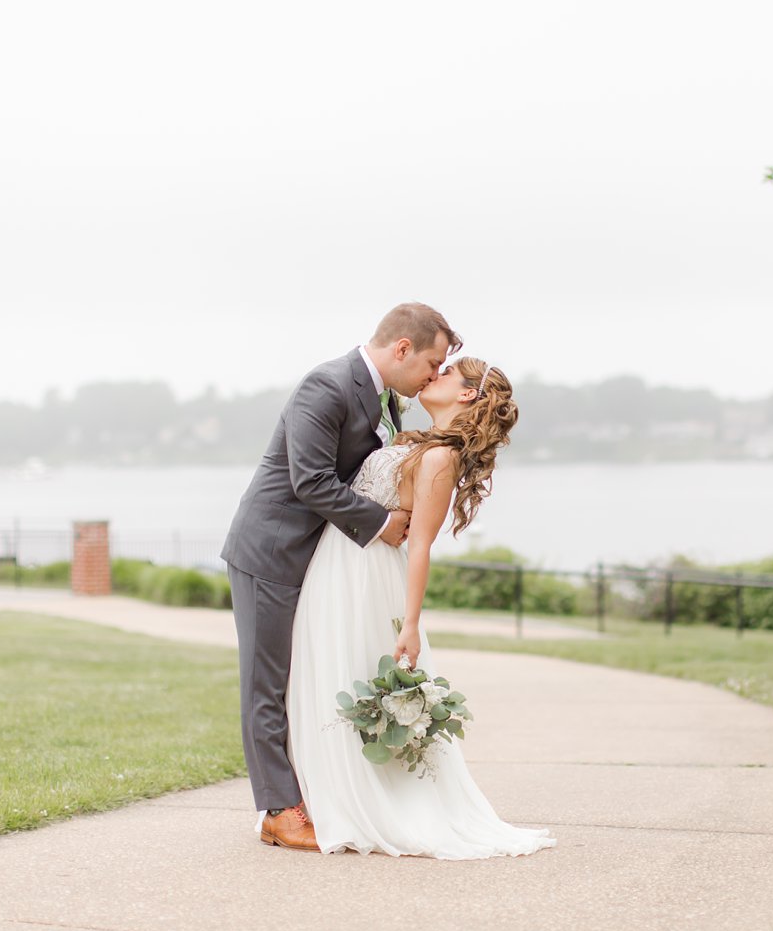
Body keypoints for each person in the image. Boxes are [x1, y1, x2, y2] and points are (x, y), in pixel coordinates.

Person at [281, 356, 557, 859]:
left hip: (367, 578)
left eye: (446, 373)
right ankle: (327, 797)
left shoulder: (440, 459)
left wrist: (410, 624)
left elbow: (421, 545)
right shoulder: (415, 441)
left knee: (347, 674)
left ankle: (359, 802)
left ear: (468, 394)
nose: (435, 376)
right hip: (337, 566)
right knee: (322, 674)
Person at [222, 302, 458, 851]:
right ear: (402, 349)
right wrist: (384, 524)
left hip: (317, 560)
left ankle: (309, 793)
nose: (432, 375)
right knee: (267, 684)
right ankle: (279, 811)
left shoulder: (386, 401)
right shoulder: (325, 386)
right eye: (431, 362)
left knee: (303, 677)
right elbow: (309, 481)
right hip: (271, 551)